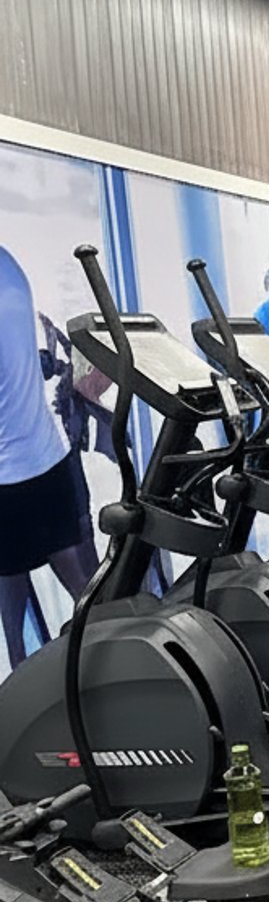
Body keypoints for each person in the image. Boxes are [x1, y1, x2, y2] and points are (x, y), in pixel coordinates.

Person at [0, 245, 98, 668]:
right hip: (47, 457)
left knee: (18, 589)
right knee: (67, 582)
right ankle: (100, 663)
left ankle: (26, 681)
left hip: (10, 475)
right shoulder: (8, 266)